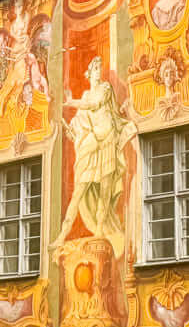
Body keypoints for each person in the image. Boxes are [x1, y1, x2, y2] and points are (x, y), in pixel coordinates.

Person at [53, 57, 134, 256]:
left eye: (100, 68)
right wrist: (74, 133)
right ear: (89, 73)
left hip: (107, 141)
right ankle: (62, 234)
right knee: (78, 191)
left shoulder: (105, 88)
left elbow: (94, 104)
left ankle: (99, 229)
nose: (99, 71)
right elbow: (82, 122)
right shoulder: (87, 94)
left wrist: (72, 101)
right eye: (95, 68)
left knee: (105, 191)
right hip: (93, 144)